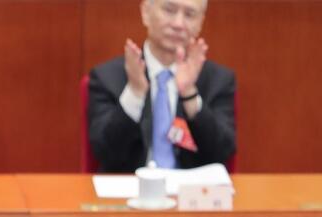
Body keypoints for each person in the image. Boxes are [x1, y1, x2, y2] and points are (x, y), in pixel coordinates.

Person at [87, 0, 235, 173]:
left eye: (189, 14)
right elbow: (104, 153)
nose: (178, 24)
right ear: (146, 13)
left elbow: (222, 153)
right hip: (131, 192)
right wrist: (134, 94)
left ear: (200, 23)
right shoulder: (108, 76)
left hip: (190, 194)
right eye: (169, 10)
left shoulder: (218, 79)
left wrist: (190, 94)